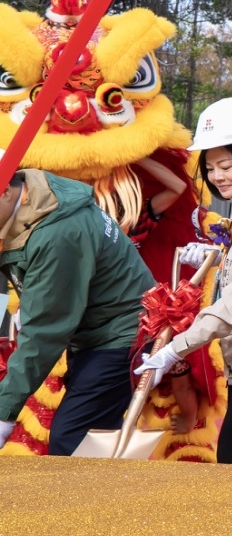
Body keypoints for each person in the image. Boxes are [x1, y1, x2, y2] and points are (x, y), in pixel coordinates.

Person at [133, 97, 232, 464]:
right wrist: (215, 255)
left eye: (226, 165)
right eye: (211, 168)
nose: (217, 177)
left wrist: (175, 350)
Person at [0, 167, 154, 455]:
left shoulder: (56, 232)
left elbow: (44, 332)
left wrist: (3, 414)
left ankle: (95, 500)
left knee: (73, 441)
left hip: (120, 334)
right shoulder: (33, 203)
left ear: (6, 191)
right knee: (89, 437)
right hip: (93, 333)